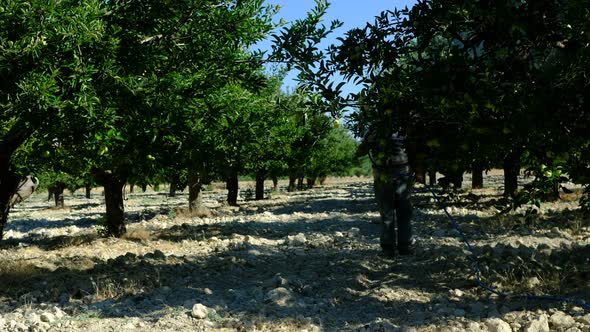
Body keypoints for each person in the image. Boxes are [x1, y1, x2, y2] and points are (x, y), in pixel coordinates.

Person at [359, 128, 414, 257]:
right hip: (383, 175)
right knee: (387, 213)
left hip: (402, 174)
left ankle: (404, 247)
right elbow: (361, 151)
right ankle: (389, 248)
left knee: (404, 212)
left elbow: (414, 150)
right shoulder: (375, 130)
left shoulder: (404, 130)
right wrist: (368, 142)